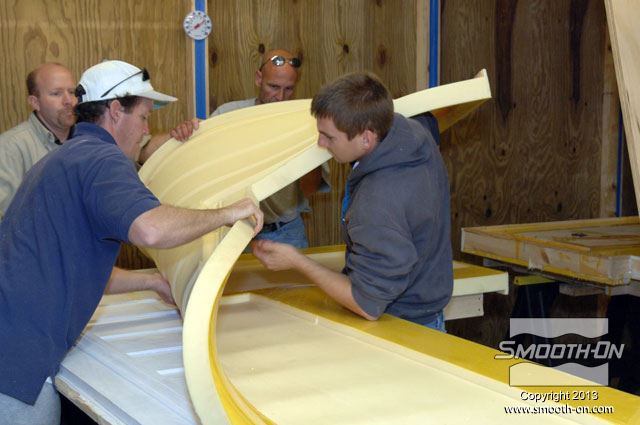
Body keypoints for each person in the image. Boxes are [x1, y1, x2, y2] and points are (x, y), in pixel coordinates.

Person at [0, 59, 263, 425]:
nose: (146, 130)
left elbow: (76, 267)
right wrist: (227, 213)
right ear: (114, 111)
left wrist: (153, 280)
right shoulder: (101, 159)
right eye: (143, 117)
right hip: (16, 365)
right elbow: (151, 230)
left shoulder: (66, 156)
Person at [253, 71, 453, 330]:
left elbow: (366, 304)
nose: (320, 143)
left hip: (402, 324)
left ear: (366, 138)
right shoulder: (411, 131)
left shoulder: (377, 203)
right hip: (428, 306)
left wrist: (297, 261)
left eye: (329, 137)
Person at [0, 62, 198, 218]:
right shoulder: (9, 148)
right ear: (34, 102)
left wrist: (182, 135)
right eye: (56, 93)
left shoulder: (92, 137)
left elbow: (144, 148)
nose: (68, 100)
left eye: (72, 92)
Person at [211, 49, 326, 248]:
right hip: (233, 231)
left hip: (284, 232)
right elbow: (202, 171)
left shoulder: (304, 123)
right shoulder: (227, 115)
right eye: (273, 87)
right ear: (258, 79)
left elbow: (310, 188)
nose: (280, 97)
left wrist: (307, 150)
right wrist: (185, 133)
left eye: (289, 89)